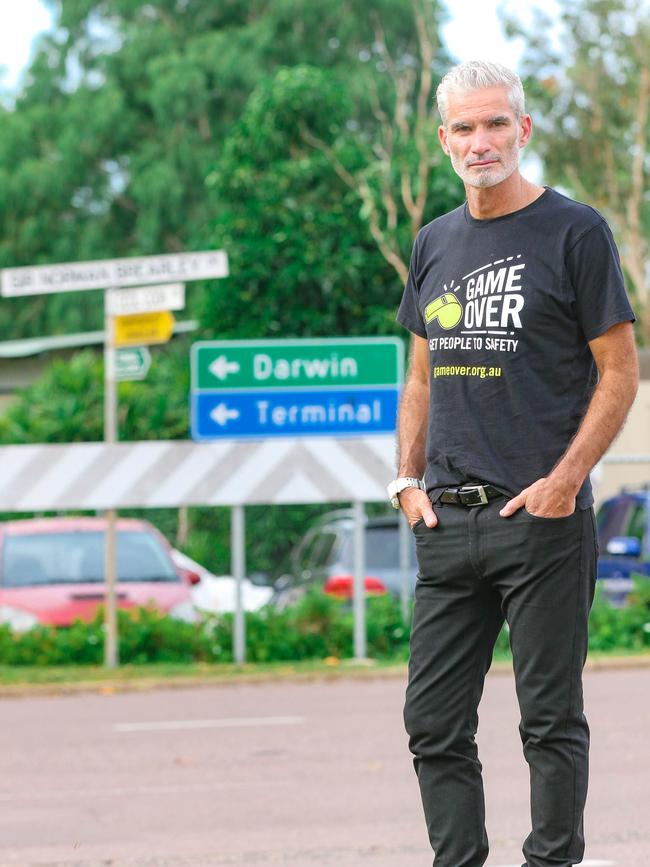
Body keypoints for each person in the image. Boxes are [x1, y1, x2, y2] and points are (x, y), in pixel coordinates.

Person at [387, 60, 638, 867]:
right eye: (464, 127)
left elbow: (621, 370)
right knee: (432, 722)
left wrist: (565, 484)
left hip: (541, 521)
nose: (480, 141)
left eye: (496, 123)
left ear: (523, 130)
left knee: (549, 720)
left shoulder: (575, 232)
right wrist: (404, 479)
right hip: (447, 522)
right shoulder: (433, 241)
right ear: (444, 141)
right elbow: (421, 374)